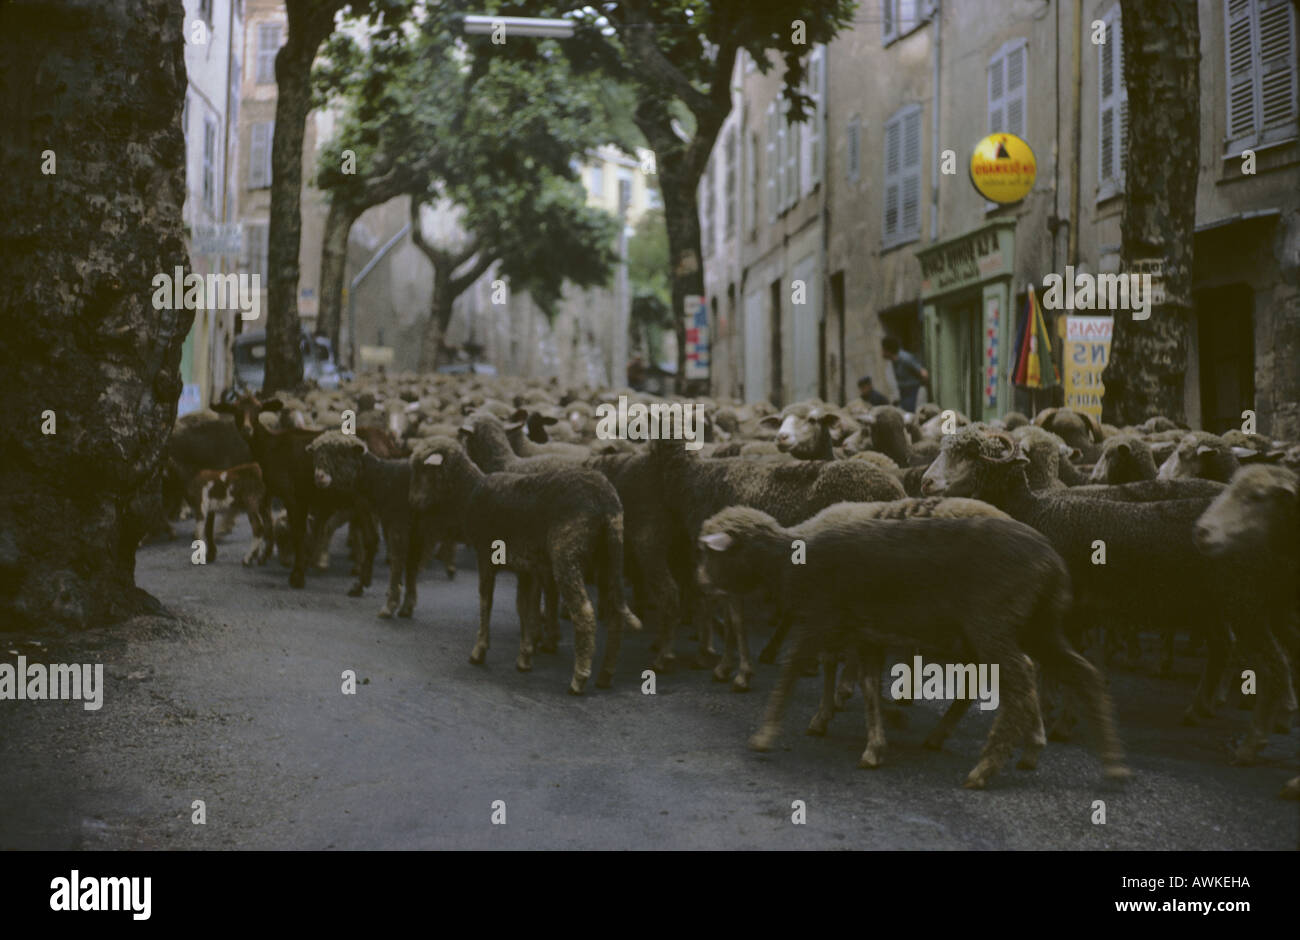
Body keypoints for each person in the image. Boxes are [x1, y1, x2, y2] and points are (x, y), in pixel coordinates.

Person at [881, 336, 929, 413]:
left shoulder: (905, 358)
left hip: (913, 392)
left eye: (883, 349)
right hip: (905, 394)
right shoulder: (894, 361)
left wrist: (922, 391)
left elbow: (924, 373)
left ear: (888, 350)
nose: (882, 352)